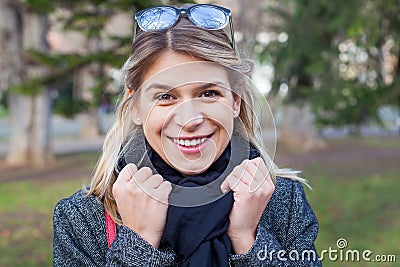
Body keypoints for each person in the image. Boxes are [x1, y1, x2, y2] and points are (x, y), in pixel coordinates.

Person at [53, 4, 321, 267]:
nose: (190, 120)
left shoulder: (281, 201)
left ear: (235, 101)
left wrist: (247, 239)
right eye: (165, 97)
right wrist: (139, 241)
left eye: (208, 93)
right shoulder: (83, 219)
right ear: (135, 106)